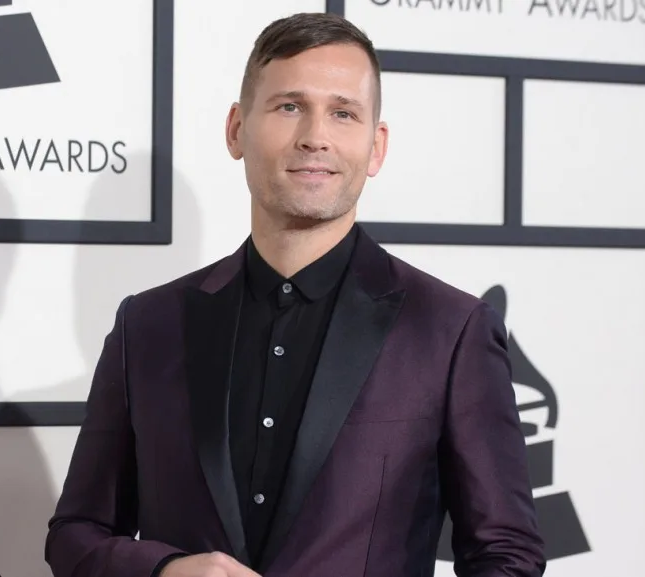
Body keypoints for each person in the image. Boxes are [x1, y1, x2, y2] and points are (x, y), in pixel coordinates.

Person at [45, 12, 546, 577]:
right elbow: (75, 535)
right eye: (289, 107)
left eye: (343, 113)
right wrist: (164, 570)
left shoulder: (449, 330)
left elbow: (506, 556)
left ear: (376, 147)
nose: (315, 136)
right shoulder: (149, 325)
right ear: (236, 129)